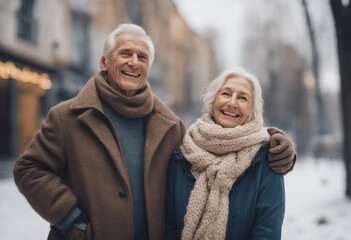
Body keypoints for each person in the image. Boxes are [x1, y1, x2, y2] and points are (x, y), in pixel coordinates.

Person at [13, 24, 294, 240]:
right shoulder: (67, 116)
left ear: (148, 66)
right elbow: (28, 168)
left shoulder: (170, 126)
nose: (134, 62)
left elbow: (231, 139)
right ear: (104, 62)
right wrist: (70, 216)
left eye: (142, 56)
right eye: (125, 53)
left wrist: (276, 143)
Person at [166, 68, 290, 240]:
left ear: (252, 110)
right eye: (226, 93)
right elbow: (168, 227)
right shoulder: (183, 154)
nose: (232, 103)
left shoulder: (266, 159)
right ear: (213, 100)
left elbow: (267, 233)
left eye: (242, 98)